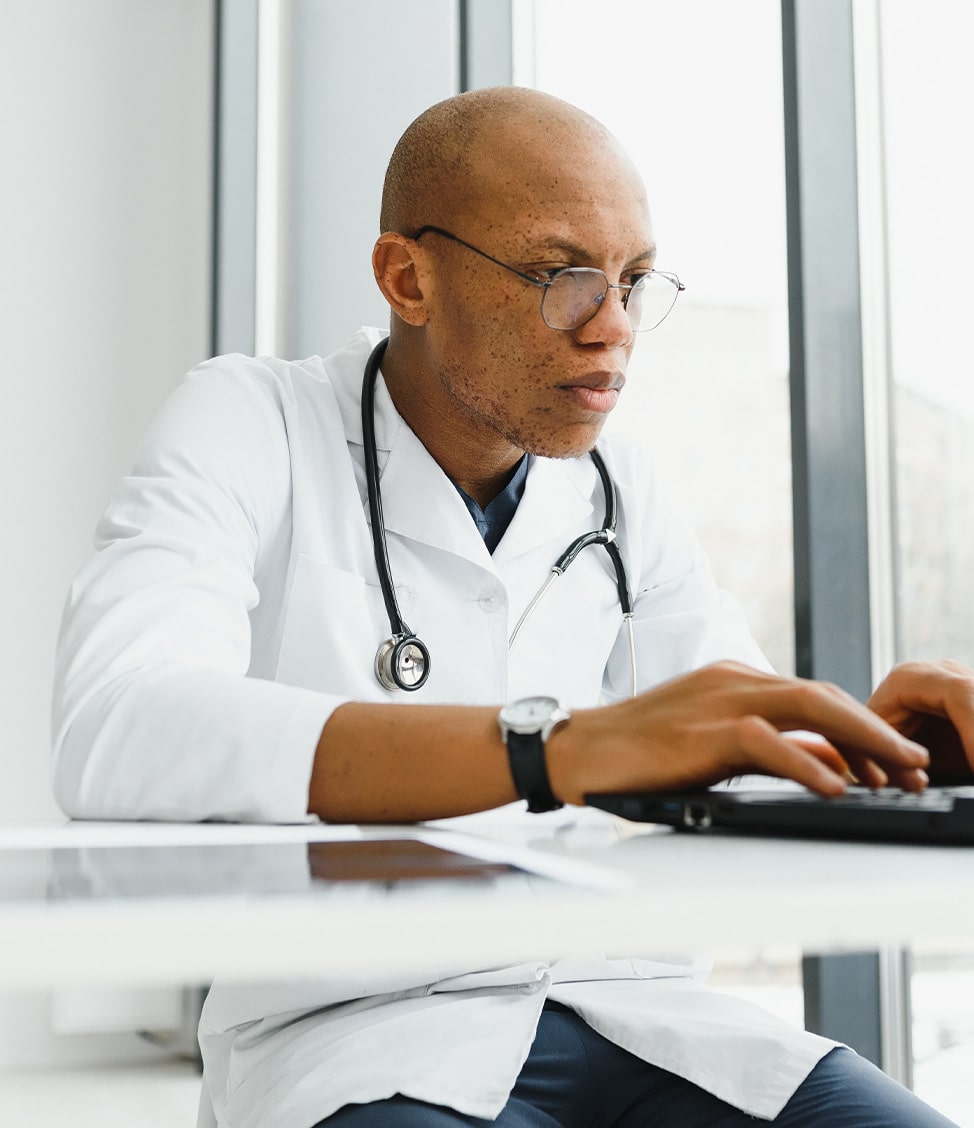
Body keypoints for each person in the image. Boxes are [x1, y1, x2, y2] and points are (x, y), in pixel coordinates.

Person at [52, 86, 974, 1128]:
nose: (613, 328)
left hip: (639, 1006)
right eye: (560, 277)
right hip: (359, 1029)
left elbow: (721, 724)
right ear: (409, 277)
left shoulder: (618, 479)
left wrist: (874, 755)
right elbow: (120, 722)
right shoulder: (251, 421)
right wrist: (555, 750)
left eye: (630, 280)